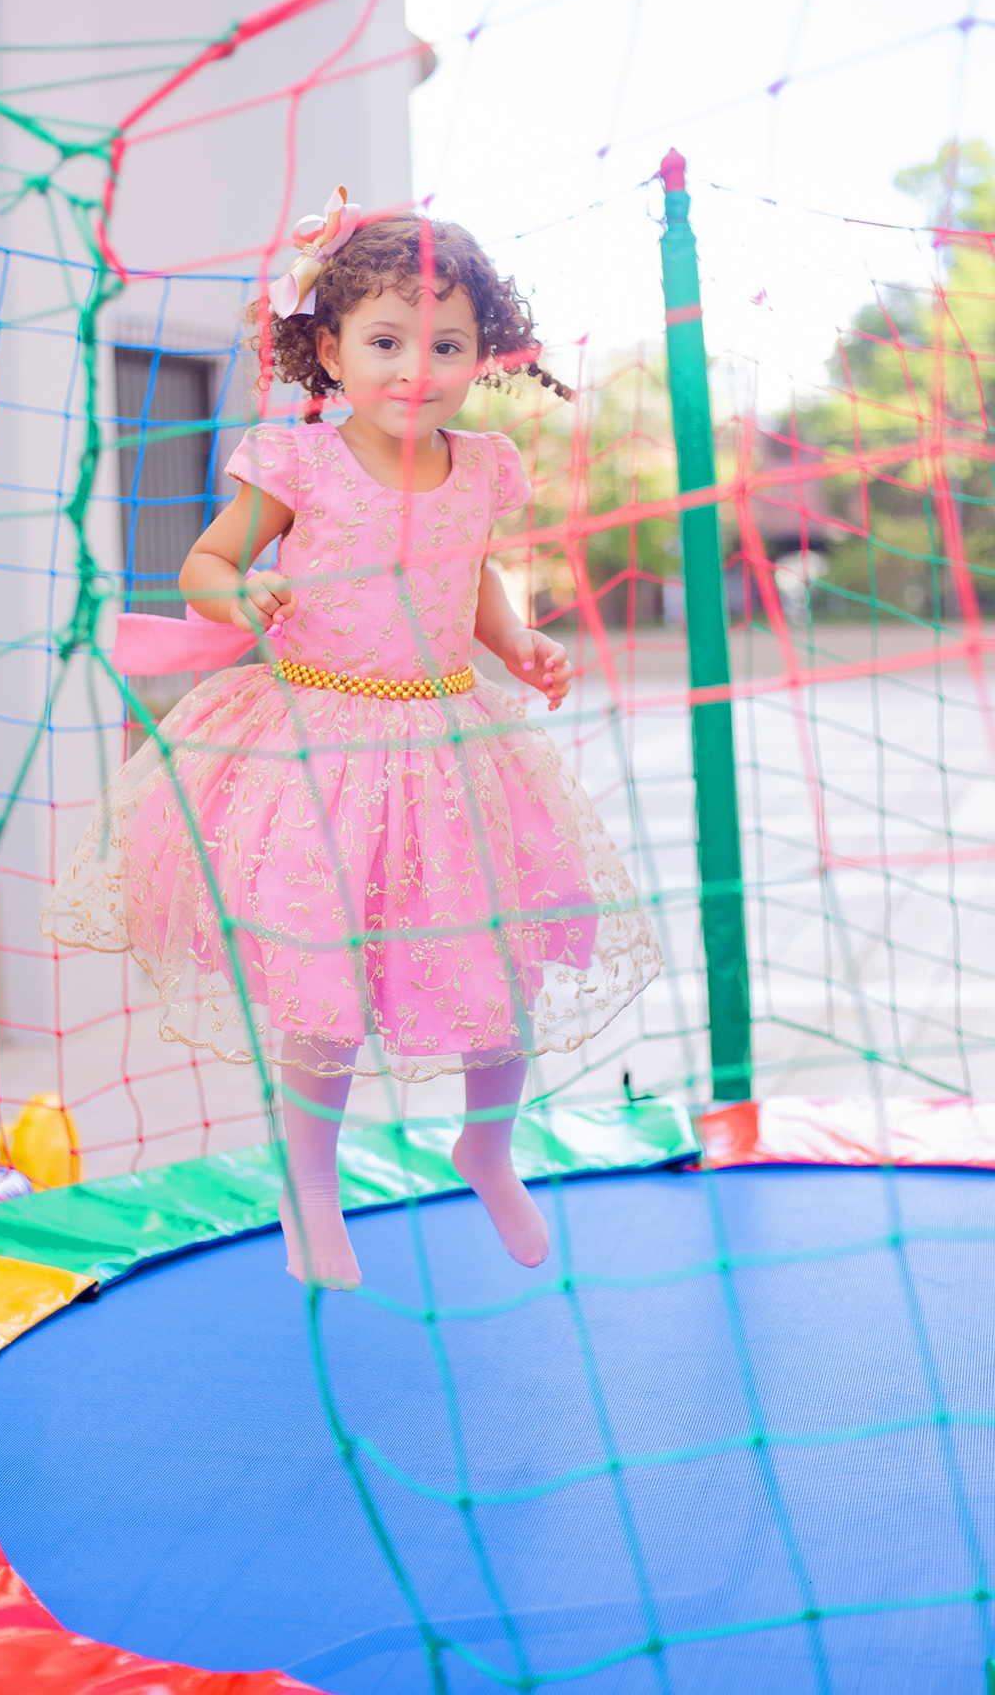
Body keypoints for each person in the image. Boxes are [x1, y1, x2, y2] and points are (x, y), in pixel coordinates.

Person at [43, 197, 661, 1292]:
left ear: (482, 355)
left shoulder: (480, 465)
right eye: (385, 341)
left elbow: (469, 572)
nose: (415, 369)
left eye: (446, 345)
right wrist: (247, 592)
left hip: (453, 748)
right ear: (328, 349)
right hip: (320, 747)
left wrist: (518, 644)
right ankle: (310, 1183)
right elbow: (204, 565)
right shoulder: (298, 462)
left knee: (499, 962)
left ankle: (486, 1142)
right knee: (323, 992)